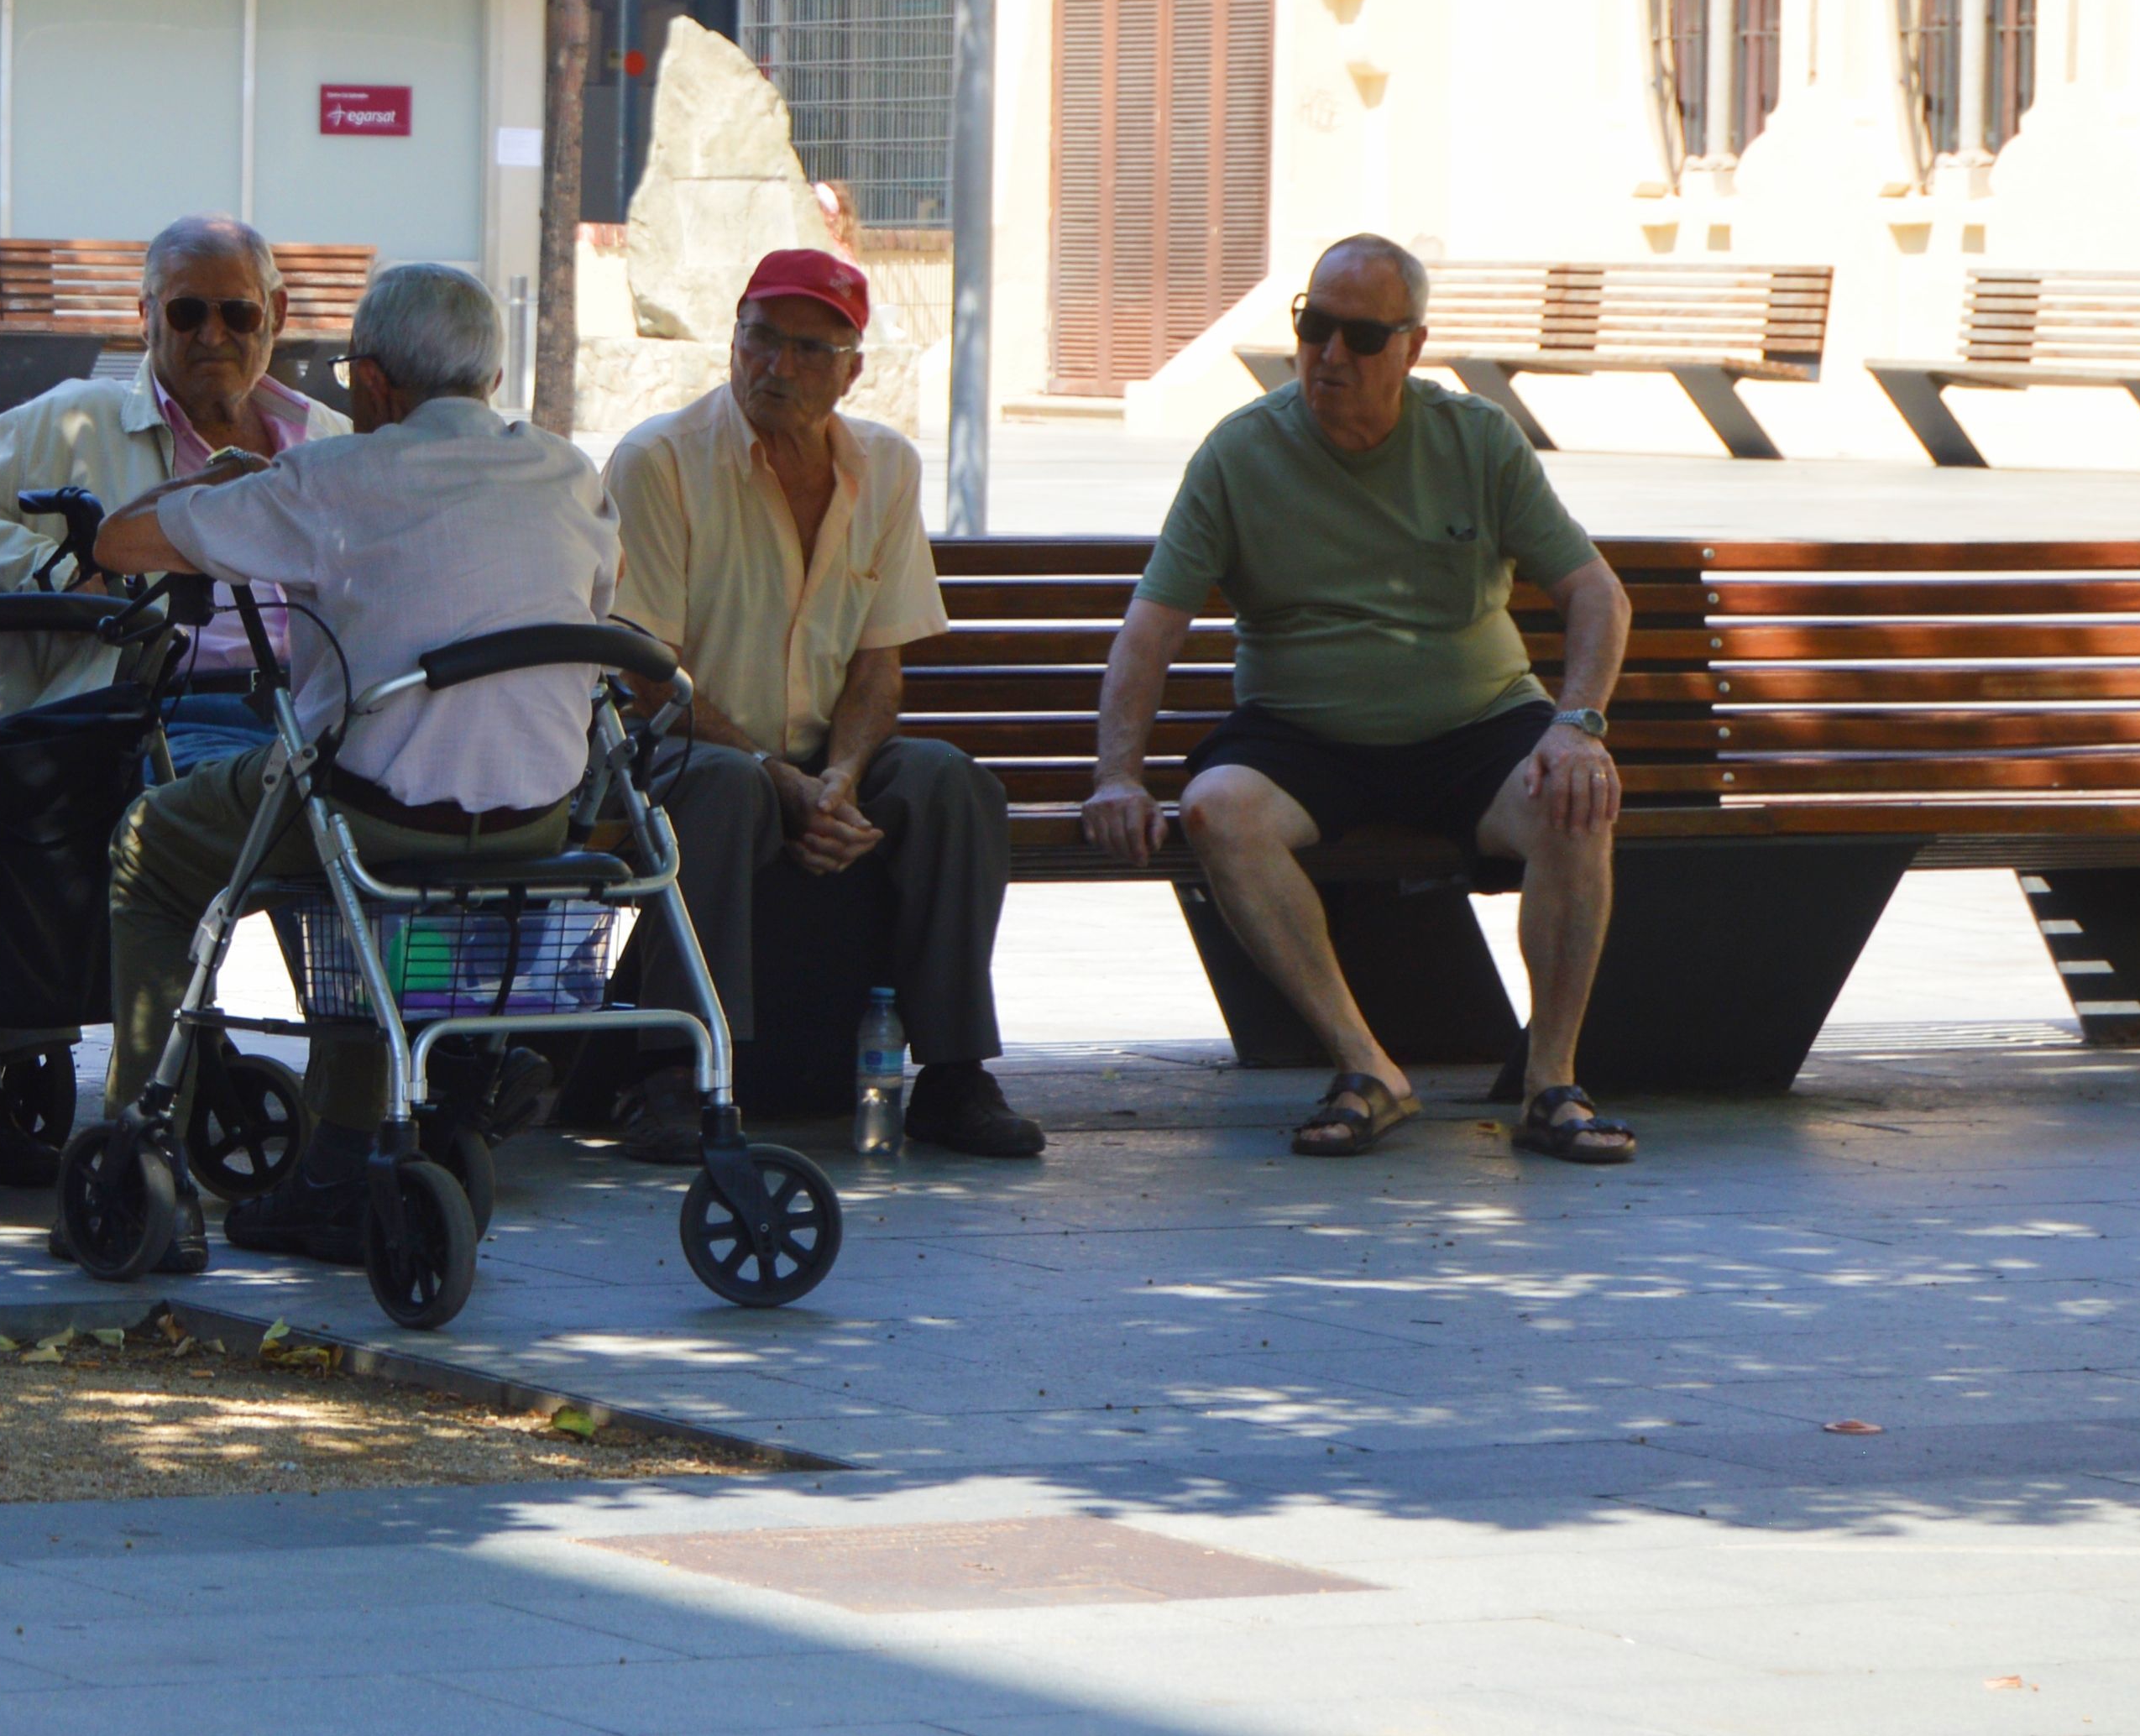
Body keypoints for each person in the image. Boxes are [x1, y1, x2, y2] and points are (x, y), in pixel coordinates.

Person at [90, 262, 620, 1264]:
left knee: (149, 847)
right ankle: (337, 1158)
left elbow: (120, 544)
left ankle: (143, 1136)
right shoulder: (567, 470)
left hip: (370, 805)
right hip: (536, 812)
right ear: (490, 377)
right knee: (369, 899)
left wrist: (216, 489)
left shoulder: (333, 478)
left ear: (371, 379)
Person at [1086, 233, 1640, 1164]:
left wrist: (1577, 724)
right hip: (1303, 733)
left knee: (1576, 800)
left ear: (1412, 346)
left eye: (1361, 336)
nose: (1330, 356)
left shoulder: (1474, 437)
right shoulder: (1240, 453)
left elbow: (1595, 593)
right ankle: (1366, 1067)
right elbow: (1152, 627)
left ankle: (1551, 1082)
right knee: (1218, 809)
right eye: (1315, 327)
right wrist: (1115, 775)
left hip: (1476, 722)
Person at [602, 248, 1040, 1161]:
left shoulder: (884, 465)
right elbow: (648, 672)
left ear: (853, 369)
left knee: (948, 785)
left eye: (808, 350)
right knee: (723, 790)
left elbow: (879, 665)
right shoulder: (660, 460)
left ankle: (955, 1076)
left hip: (819, 756)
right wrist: (777, 779)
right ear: (733, 340)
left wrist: (836, 778)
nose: (777, 368)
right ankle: (674, 1079)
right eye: (760, 339)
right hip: (683, 750)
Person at [0, 214, 346, 745]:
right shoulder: (76, 419)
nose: (212, 333)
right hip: (164, 718)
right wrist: (51, 570)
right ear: (145, 316)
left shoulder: (328, 435)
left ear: (276, 314)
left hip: (320, 714)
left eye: (239, 313)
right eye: (186, 312)